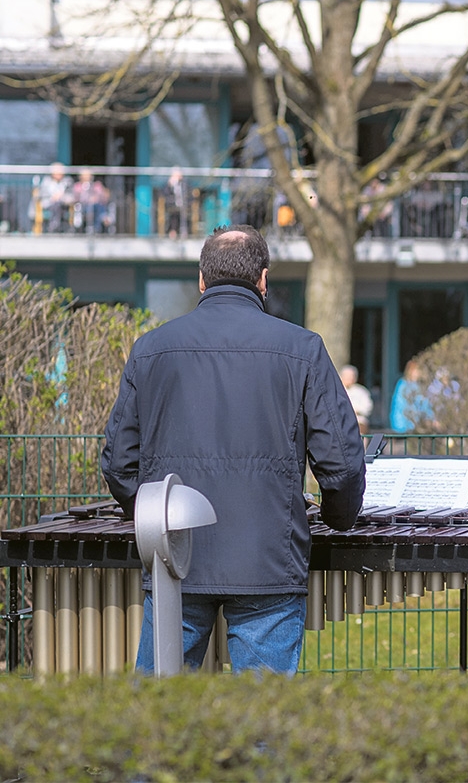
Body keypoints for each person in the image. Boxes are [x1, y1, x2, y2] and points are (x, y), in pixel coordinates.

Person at [100, 224, 366, 675]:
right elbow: (340, 465)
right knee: (262, 727)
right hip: (268, 557)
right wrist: (338, 520)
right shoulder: (303, 349)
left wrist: (153, 520)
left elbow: (120, 465)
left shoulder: (150, 350)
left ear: (202, 280)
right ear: (263, 280)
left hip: (173, 555)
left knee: (158, 724)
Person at [390, 360, 434, 433]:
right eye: (417, 370)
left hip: (414, 425)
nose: (419, 373)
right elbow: (401, 405)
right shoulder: (404, 385)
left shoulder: (419, 386)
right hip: (405, 426)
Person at [37, 162, 74, 233]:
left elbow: (71, 195)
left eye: (60, 171)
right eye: (57, 171)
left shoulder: (67, 181)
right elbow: (41, 194)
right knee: (56, 205)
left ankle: (59, 226)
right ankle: (54, 226)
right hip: (49, 203)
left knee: (59, 204)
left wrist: (62, 196)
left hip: (64, 204)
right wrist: (52, 197)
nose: (59, 173)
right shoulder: (46, 181)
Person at [72, 169, 111, 233]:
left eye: (88, 175)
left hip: (95, 206)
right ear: (80, 177)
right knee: (92, 208)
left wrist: (96, 197)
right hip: (82, 206)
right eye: (84, 175)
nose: (86, 177)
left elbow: (103, 197)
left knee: (97, 206)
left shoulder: (97, 185)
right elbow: (75, 198)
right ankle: (104, 218)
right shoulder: (77, 186)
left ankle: (96, 229)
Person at [340, 363, 374, 433]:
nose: (350, 379)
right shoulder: (336, 390)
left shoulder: (362, 391)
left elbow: (367, 407)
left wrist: (357, 410)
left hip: (359, 420)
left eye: (352, 376)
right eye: (347, 377)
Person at [161, 167, 189, 239]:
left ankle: (184, 231)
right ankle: (173, 232)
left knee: (184, 214)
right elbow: (164, 194)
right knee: (174, 214)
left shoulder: (184, 184)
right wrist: (171, 185)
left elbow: (189, 194)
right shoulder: (169, 185)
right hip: (172, 205)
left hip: (184, 205)